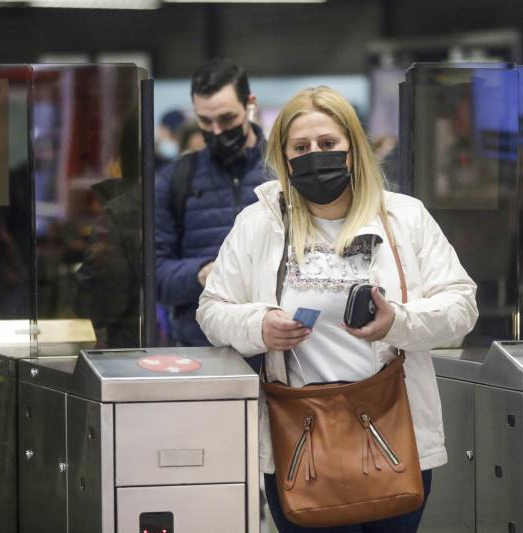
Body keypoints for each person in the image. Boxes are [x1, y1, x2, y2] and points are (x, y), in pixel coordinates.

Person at [197, 86, 478, 532]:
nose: (315, 155)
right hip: (301, 436)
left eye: (328, 144)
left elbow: (462, 307)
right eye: (301, 147)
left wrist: (397, 323)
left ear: (353, 148)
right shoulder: (259, 225)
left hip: (393, 429)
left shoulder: (405, 217)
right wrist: (259, 325)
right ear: (284, 158)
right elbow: (212, 310)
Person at [156, 58, 268, 347]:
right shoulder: (175, 179)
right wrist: (201, 272)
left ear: (249, 104)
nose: (216, 131)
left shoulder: (283, 170)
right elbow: (154, 276)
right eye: (205, 121)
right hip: (203, 350)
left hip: (277, 350)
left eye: (227, 119)